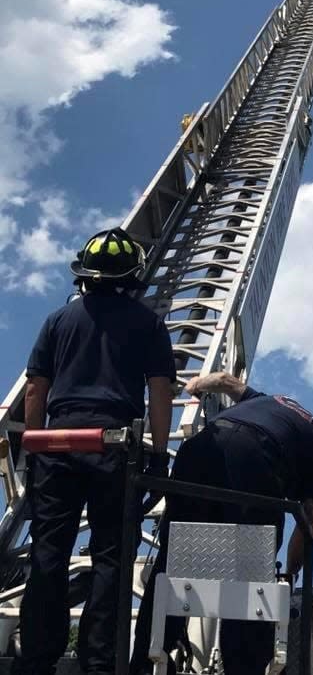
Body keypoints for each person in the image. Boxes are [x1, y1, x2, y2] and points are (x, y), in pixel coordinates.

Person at [14, 228, 176, 675]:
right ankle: (99, 663)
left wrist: (35, 444)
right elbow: (160, 390)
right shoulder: (148, 322)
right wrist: (159, 455)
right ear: (132, 274)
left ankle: (35, 660)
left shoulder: (57, 321)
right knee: (111, 556)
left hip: (57, 445)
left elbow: (35, 389)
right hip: (115, 448)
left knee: (48, 552)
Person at [130, 371, 313, 675]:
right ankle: (244, 667)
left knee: (175, 558)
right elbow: (309, 522)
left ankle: (145, 660)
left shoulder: (275, 402)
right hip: (254, 460)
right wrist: (289, 575)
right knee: (251, 571)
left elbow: (224, 380)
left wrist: (194, 386)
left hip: (200, 449)